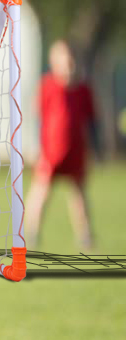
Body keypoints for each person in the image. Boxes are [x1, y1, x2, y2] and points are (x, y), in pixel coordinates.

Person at [25, 40, 97, 250]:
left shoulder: (83, 89)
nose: (68, 63)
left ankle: (85, 236)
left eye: (71, 58)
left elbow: (91, 122)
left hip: (76, 151)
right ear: (53, 62)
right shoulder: (47, 86)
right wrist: (34, 147)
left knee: (79, 194)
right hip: (51, 151)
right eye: (64, 58)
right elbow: (35, 117)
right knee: (41, 191)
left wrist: (93, 149)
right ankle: (31, 233)